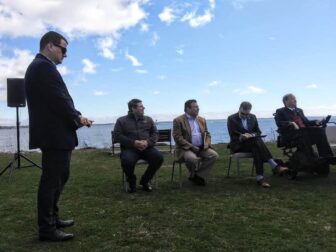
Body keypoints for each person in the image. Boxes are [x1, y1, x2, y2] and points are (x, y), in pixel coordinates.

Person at [25, 31, 93, 242]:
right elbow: (59, 100)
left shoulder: (42, 67)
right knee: (51, 181)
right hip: (54, 135)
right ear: (50, 46)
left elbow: (57, 100)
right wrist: (77, 117)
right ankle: (47, 229)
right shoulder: (43, 67)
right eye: (63, 49)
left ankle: (52, 218)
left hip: (55, 134)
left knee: (59, 178)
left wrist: (76, 116)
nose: (65, 54)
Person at [227, 102, 288, 188]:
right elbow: (232, 135)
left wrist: (252, 135)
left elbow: (258, 132)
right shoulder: (231, 118)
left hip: (252, 143)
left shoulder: (253, 117)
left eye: (247, 114)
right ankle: (273, 165)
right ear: (239, 109)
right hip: (239, 145)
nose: (245, 116)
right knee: (257, 142)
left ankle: (260, 179)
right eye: (243, 114)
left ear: (250, 111)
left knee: (256, 147)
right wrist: (242, 137)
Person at [113, 99, 163, 193]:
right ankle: (131, 181)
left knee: (158, 158)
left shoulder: (148, 119)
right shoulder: (121, 120)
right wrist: (133, 143)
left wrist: (148, 143)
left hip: (146, 148)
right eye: (140, 106)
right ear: (133, 108)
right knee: (127, 161)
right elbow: (117, 135)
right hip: (130, 149)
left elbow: (155, 133)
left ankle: (145, 181)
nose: (143, 108)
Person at [173, 99, 219, 185]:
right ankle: (195, 175)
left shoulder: (202, 119)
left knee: (214, 155)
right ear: (188, 109)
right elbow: (177, 137)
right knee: (192, 159)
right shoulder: (178, 120)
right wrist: (191, 146)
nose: (198, 108)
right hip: (186, 149)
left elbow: (207, 134)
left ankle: (197, 175)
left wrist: (206, 143)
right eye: (195, 107)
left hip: (201, 147)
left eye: (198, 107)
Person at [275, 93, 334, 159]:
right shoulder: (280, 111)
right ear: (286, 101)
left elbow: (306, 122)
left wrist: (316, 121)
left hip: (303, 131)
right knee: (315, 131)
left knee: (320, 130)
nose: (295, 100)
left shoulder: (299, 110)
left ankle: (326, 156)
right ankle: (314, 157)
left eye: (295, 99)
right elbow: (279, 123)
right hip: (292, 134)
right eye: (292, 99)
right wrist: (292, 123)